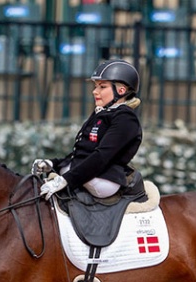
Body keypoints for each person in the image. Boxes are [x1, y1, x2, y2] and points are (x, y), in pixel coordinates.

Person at [35, 59, 143, 200]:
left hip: (103, 179)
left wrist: (66, 179)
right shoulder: (103, 113)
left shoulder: (125, 119)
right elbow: (82, 153)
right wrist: (53, 163)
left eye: (102, 87)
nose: (94, 91)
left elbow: (101, 157)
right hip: (88, 173)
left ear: (121, 90)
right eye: (95, 86)